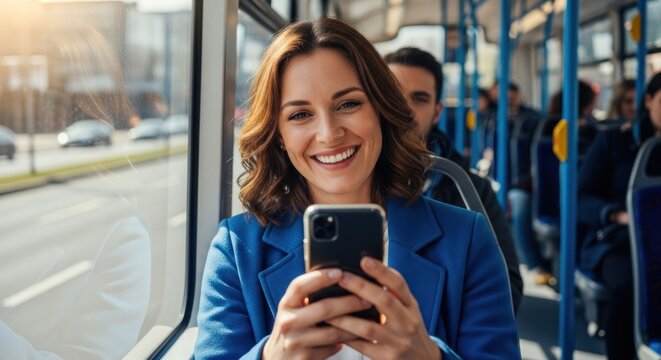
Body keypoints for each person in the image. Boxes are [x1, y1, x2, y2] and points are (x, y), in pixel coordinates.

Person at [195, 18, 519, 359]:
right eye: (300, 115)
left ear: (381, 108)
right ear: (278, 135)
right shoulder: (235, 250)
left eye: (348, 104)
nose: (329, 134)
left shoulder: (467, 239)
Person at [383, 46, 523, 314]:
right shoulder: (346, 180)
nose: (405, 110)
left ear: (436, 112)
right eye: (393, 96)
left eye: (419, 98)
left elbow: (508, 287)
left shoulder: (469, 189)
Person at [577, 72, 661, 359]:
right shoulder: (613, 142)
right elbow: (581, 198)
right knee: (630, 289)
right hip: (619, 242)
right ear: (648, 101)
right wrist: (615, 215)